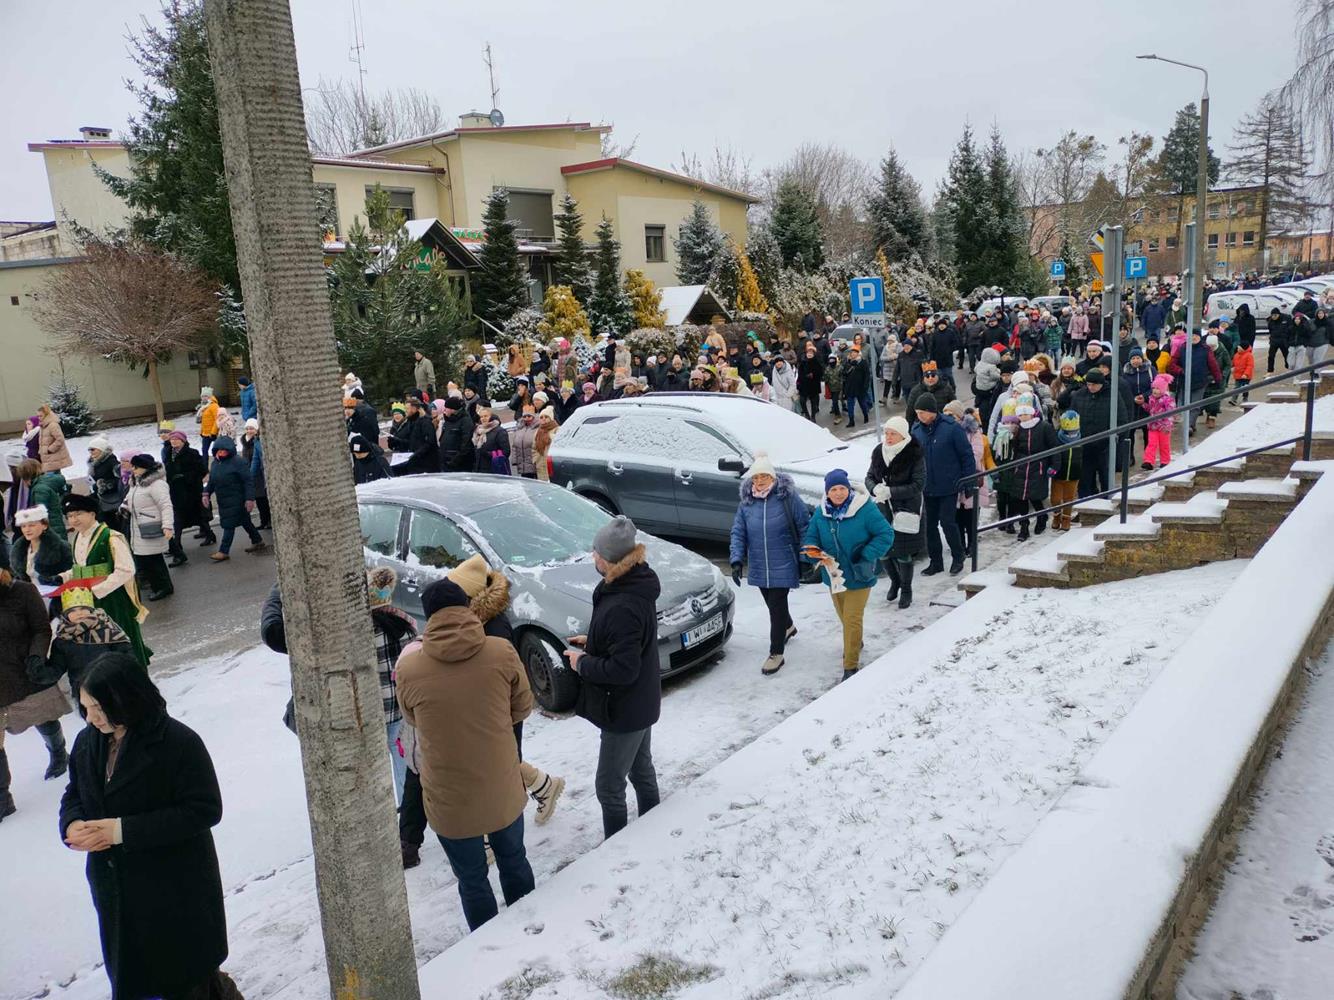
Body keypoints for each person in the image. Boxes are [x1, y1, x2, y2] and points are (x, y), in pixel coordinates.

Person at [59, 653, 240, 999]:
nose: (91, 717)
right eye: (85, 707)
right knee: (135, 976)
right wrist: (73, 823)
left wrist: (121, 831)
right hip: (116, 889)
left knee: (188, 980)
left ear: (127, 698)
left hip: (173, 888)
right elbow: (75, 791)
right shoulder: (87, 741)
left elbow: (204, 809)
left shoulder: (178, 743)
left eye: (99, 707)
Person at [395, 578, 536, 930]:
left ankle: (487, 946)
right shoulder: (501, 651)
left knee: (471, 880)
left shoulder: (409, 669)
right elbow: (523, 706)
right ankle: (528, 934)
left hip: (449, 797)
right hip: (501, 783)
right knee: (514, 861)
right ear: (467, 606)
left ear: (428, 616)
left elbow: (412, 718)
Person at [445, 555, 566, 824]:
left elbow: (499, 673)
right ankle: (544, 786)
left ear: (470, 595)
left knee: (499, 764)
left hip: (500, 706)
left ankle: (504, 825)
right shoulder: (478, 621)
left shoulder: (493, 627)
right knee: (499, 761)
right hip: (490, 706)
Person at [563, 515, 662, 838]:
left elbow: (623, 669)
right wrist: (592, 642)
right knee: (641, 770)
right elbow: (629, 644)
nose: (592, 556)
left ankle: (616, 848)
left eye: (596, 552)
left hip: (625, 710)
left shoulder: (623, 604)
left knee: (608, 787)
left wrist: (582, 663)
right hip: (641, 701)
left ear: (608, 558)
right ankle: (655, 829)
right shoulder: (631, 583)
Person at [801, 470, 894, 681]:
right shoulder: (821, 513)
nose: (838, 493)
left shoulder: (864, 508)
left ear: (848, 489)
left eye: (842, 488)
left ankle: (850, 666)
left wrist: (867, 553)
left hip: (859, 575)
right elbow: (811, 538)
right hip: (834, 577)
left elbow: (886, 534)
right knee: (844, 617)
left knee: (852, 619)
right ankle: (855, 641)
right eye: (833, 489)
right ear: (827, 492)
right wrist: (815, 554)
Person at [729, 452, 809, 675]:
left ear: (772, 477)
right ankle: (788, 627)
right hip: (759, 564)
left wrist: (805, 557)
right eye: (756, 477)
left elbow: (805, 526)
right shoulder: (747, 503)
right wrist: (736, 559)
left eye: (764, 476)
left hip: (784, 562)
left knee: (776, 606)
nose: (760, 481)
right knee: (772, 604)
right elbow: (738, 532)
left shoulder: (788, 498)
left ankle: (776, 654)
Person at [0, 562, 64, 822]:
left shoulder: (23, 592)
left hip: (23, 670)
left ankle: (58, 752)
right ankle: (3, 799)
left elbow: (41, 628)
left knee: (43, 717)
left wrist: (36, 656)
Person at [62, 493, 151, 667]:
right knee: (100, 646)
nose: (74, 519)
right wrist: (63, 577)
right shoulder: (77, 538)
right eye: (70, 516)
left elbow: (126, 570)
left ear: (92, 514)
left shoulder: (110, 537)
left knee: (123, 643)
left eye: (78, 514)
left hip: (114, 599)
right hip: (90, 601)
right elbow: (80, 568)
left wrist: (96, 591)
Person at [911, 394, 977, 576]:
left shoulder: (951, 428)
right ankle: (936, 562)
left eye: (922, 412)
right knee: (930, 526)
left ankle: (958, 557)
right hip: (927, 487)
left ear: (932, 411)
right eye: (917, 413)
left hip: (949, 485)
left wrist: (968, 482)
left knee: (948, 522)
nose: (919, 416)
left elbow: (966, 456)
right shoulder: (916, 430)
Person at [865, 417, 924, 609]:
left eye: (893, 434)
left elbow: (918, 485)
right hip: (883, 509)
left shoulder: (914, 453)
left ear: (903, 435)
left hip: (905, 508)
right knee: (883, 550)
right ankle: (895, 581)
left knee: (902, 552)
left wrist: (891, 491)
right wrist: (874, 488)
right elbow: (869, 476)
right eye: (887, 433)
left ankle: (906, 589)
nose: (888, 437)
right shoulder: (879, 451)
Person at [994, 392, 1057, 540]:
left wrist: (1054, 465)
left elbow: (1054, 447)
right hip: (1021, 466)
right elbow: (1015, 449)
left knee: (1034, 497)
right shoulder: (1019, 429)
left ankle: (1041, 517)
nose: (1023, 417)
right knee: (1020, 497)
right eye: (1020, 415)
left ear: (1032, 413)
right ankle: (1024, 526)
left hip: (1037, 465)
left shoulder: (1044, 427)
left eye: (1025, 414)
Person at [1059, 369, 1130, 497]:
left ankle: (1107, 500)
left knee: (1106, 477)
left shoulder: (1113, 396)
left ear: (1101, 383)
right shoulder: (1079, 395)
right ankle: (1085, 501)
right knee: (1084, 478)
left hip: (1105, 445)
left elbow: (1122, 419)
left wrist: (1117, 440)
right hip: (1084, 444)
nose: (1091, 387)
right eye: (1088, 384)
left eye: (1094, 385)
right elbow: (1073, 415)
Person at [203, 435, 266, 563]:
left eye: (224, 450)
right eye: (219, 450)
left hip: (238, 499)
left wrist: (249, 499)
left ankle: (223, 551)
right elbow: (212, 481)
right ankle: (258, 541)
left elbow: (248, 481)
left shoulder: (238, 462)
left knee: (229, 525)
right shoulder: (215, 463)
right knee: (245, 521)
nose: (221, 452)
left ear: (230, 450)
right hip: (223, 500)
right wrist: (206, 493)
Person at [123, 454, 175, 601]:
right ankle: (159, 586)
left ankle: (162, 587)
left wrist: (167, 526)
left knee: (153, 560)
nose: (133, 470)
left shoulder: (156, 484)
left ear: (145, 468)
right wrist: (124, 507)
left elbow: (166, 505)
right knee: (148, 560)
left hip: (150, 527)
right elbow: (130, 498)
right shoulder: (136, 482)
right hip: (138, 527)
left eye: (136, 467)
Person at [163, 431, 215, 562]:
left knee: (198, 515)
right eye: (172, 439)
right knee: (178, 518)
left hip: (191, 491)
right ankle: (177, 544)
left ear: (183, 441)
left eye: (176, 439)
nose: (173, 441)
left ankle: (209, 534)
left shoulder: (192, 453)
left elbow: (201, 470)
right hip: (176, 491)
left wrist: (185, 477)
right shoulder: (169, 453)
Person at [11, 504, 73, 587]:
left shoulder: (61, 547)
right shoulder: (20, 550)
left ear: (44, 526)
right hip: (29, 592)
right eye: (23, 526)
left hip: (54, 591)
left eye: (32, 525)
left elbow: (70, 575)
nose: (27, 530)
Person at [16, 457, 70, 543]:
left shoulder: (39, 489)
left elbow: (41, 512)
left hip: (51, 530)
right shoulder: (44, 483)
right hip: (55, 526)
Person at [86, 436, 128, 533]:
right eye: (89, 450)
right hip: (99, 496)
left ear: (101, 449)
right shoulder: (94, 462)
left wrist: (105, 484)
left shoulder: (111, 461)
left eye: (93, 449)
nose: (91, 452)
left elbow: (120, 479)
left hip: (110, 500)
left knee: (112, 525)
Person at [390, 396, 440, 476]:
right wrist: (397, 441)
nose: (406, 411)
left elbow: (430, 442)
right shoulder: (411, 422)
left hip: (426, 463)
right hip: (416, 462)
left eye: (407, 409)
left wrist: (417, 453)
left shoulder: (425, 421)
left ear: (414, 409)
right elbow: (411, 441)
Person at [1141, 374, 1177, 471]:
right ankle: (1148, 461)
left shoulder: (1168, 400)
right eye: (1154, 388)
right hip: (1153, 426)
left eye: (1158, 388)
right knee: (1151, 444)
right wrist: (1143, 404)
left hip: (1164, 427)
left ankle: (1165, 461)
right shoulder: (1151, 399)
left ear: (1163, 389)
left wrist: (1168, 426)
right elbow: (1150, 409)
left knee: (1164, 445)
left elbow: (1171, 413)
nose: (1155, 390)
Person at [241, 419, 271, 530]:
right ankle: (264, 521)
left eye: (252, 429)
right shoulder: (245, 442)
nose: (249, 431)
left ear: (257, 429)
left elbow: (256, 460)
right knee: (259, 499)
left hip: (259, 475)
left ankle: (267, 521)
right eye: (247, 429)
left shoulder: (257, 442)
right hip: (251, 473)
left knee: (263, 499)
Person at [438, 396, 475, 472]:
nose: (444, 410)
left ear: (452, 409)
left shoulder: (465, 421)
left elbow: (466, 443)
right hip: (445, 461)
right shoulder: (448, 420)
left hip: (458, 464)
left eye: (446, 408)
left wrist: (455, 460)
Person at [472, 406, 511, 475]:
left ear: (492, 417)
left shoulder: (499, 431)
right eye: (481, 417)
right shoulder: (478, 431)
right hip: (479, 469)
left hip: (495, 469)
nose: (483, 418)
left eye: (486, 416)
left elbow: (506, 452)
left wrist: (489, 454)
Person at [37, 404, 73, 474]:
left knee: (53, 476)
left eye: (41, 416)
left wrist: (50, 449)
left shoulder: (52, 425)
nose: (39, 418)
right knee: (55, 476)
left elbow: (60, 439)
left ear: (47, 415)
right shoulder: (43, 425)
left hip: (53, 457)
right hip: (48, 458)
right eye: (38, 416)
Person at [509, 404, 540, 478]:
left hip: (535, 464)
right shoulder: (520, 428)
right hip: (523, 465)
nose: (527, 418)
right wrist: (515, 460)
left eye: (529, 416)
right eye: (524, 416)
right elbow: (515, 446)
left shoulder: (538, 428)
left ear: (533, 416)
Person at [796, 341, 825, 421]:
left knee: (813, 402)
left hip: (813, 385)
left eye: (811, 352)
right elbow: (800, 373)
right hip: (804, 384)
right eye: (808, 352)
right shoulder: (803, 361)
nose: (809, 354)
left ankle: (813, 416)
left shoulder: (816, 361)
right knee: (802, 401)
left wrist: (813, 374)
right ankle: (807, 415)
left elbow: (820, 372)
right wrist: (800, 381)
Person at [533, 408, 559, 483]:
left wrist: (549, 435)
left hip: (551, 463)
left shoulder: (557, 429)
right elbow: (533, 447)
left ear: (551, 418)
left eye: (546, 417)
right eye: (541, 417)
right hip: (540, 464)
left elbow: (558, 443)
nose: (543, 419)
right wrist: (535, 460)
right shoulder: (538, 431)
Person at [197, 388, 220, 460]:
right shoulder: (203, 407)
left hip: (213, 433)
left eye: (206, 396)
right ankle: (204, 466)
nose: (204, 398)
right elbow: (203, 421)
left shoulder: (214, 406)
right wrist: (201, 432)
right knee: (204, 450)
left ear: (210, 396)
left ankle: (217, 464)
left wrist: (213, 432)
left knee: (216, 450)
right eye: (202, 396)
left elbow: (217, 419)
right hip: (205, 433)